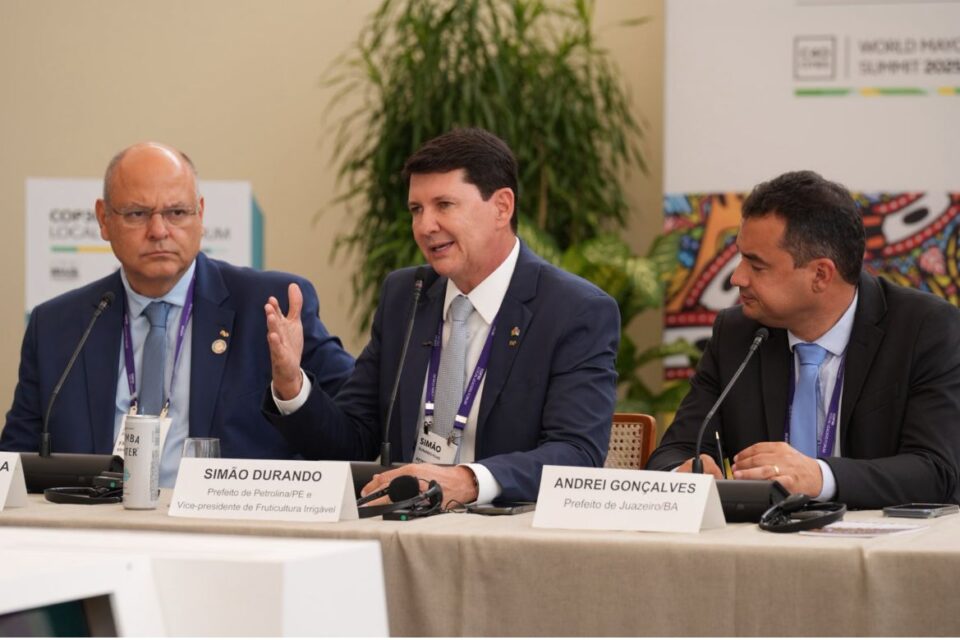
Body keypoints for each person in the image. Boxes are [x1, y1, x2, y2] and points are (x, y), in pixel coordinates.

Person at [263, 128, 620, 504]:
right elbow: (351, 440)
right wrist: (292, 386)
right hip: (402, 522)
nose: (424, 226)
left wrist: (467, 481)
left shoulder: (573, 310)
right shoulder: (406, 295)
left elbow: (576, 453)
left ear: (502, 207)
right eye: (416, 210)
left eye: (444, 205)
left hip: (506, 526)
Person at [0, 142, 355, 486]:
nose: (158, 231)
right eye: (137, 214)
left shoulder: (270, 308)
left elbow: (353, 436)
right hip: (93, 521)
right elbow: (14, 463)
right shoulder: (58, 327)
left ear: (200, 214)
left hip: (225, 523)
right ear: (104, 219)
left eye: (177, 213)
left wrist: (293, 389)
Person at [647, 170, 960, 509]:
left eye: (757, 266)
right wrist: (683, 474)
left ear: (820, 275)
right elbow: (674, 451)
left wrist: (820, 478)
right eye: (740, 258)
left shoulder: (925, 329)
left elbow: (936, 470)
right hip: (760, 537)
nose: (737, 277)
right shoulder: (737, 335)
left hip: (877, 536)